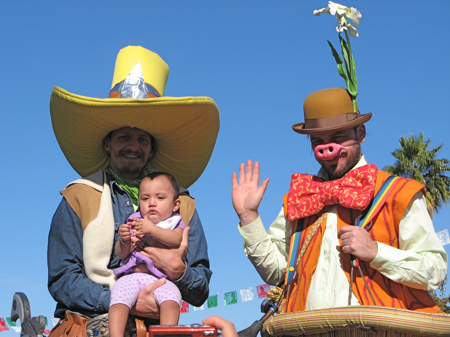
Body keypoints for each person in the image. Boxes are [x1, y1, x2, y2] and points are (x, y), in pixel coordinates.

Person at [231, 87, 447, 313]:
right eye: (317, 140)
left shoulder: (399, 194)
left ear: (360, 133)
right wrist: (249, 217)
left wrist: (376, 252)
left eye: (338, 137)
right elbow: (276, 273)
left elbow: (435, 271)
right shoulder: (298, 200)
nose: (327, 148)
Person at [47, 46, 220, 323]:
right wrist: (123, 300)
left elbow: (200, 288)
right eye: (124, 137)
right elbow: (62, 278)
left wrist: (181, 273)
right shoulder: (78, 197)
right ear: (108, 144)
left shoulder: (183, 204)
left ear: (151, 149)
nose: (133, 146)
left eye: (142, 139)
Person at [110, 172, 185, 336]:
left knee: (172, 299)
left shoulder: (174, 222)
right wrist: (124, 240)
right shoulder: (134, 219)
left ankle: (166, 334)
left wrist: (152, 229)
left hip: (161, 280)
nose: (152, 203)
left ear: (175, 204)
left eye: (160, 198)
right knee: (118, 299)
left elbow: (176, 239)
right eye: (145, 198)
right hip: (132, 276)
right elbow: (121, 255)